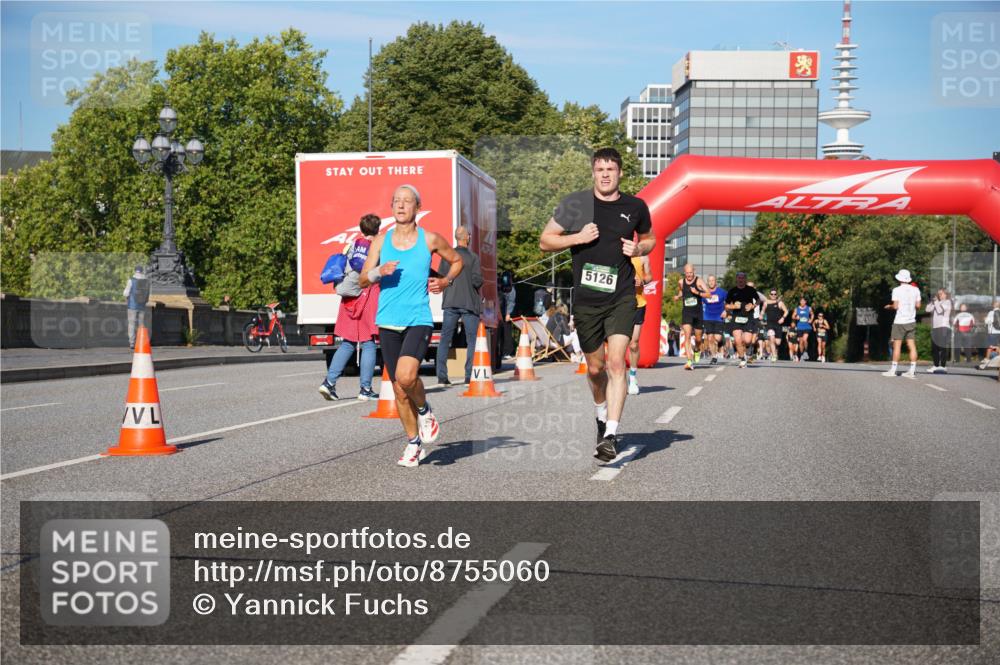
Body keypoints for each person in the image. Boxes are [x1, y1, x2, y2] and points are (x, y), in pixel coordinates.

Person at [539, 147, 655, 463]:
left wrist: (639, 246)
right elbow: (545, 239)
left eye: (611, 169)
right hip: (587, 301)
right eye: (600, 169)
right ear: (593, 172)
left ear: (619, 173)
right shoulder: (576, 204)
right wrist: (576, 238)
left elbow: (650, 238)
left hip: (621, 297)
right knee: (595, 368)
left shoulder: (635, 206)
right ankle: (601, 412)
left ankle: (611, 435)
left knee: (617, 363)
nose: (605, 174)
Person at [359, 184, 464, 467]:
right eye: (396, 202)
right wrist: (378, 271)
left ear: (418, 207)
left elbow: (456, 261)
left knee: (407, 377)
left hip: (418, 318)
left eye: (407, 202)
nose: (401, 206)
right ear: (392, 207)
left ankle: (425, 410)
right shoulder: (381, 241)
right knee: (398, 389)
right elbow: (362, 280)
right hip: (387, 320)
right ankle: (413, 443)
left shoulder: (429, 239)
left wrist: (444, 281)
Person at [319, 214, 382, 401]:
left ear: (361, 229)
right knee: (369, 343)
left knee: (348, 342)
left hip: (348, 299)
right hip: (366, 298)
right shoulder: (376, 248)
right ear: (378, 230)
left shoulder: (352, 245)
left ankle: (329, 383)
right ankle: (365, 389)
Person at [435, 226, 484, 386]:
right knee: (472, 340)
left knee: (445, 339)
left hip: (450, 302)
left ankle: (442, 377)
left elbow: (442, 277)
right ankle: (469, 376)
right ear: (467, 238)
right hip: (469, 303)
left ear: (456, 238)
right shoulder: (474, 257)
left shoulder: (447, 255)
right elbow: (477, 280)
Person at [882, 269, 921, 378]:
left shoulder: (896, 290)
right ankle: (912, 371)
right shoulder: (916, 290)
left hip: (899, 321)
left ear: (899, 279)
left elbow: (895, 306)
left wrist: (889, 306)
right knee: (912, 345)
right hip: (911, 320)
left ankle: (893, 370)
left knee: (897, 346)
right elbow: (918, 306)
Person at [673, 264, 711, 370]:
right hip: (687, 313)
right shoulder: (681, 282)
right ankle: (689, 361)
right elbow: (681, 291)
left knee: (698, 339)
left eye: (691, 273)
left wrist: (698, 292)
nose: (689, 275)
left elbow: (709, 294)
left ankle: (697, 350)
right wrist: (678, 296)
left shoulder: (699, 281)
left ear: (693, 272)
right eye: (687, 273)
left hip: (698, 313)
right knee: (687, 336)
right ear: (684, 272)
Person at [628, 254, 653, 393]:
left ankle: (632, 377)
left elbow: (649, 276)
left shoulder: (643, 257)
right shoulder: (617, 251)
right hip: (619, 303)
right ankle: (617, 377)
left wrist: (642, 281)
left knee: (633, 343)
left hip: (638, 303)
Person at [724, 272, 760, 368]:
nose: (741, 280)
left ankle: (748, 348)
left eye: (742, 278)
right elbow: (726, 306)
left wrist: (753, 305)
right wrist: (733, 306)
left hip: (748, 318)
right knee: (737, 340)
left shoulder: (750, 290)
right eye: (739, 278)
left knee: (747, 341)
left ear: (745, 279)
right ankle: (742, 359)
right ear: (736, 279)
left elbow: (758, 300)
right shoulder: (732, 291)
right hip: (736, 318)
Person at [701, 275, 727, 364]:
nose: (711, 282)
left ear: (716, 282)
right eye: (709, 281)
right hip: (707, 317)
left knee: (717, 338)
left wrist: (726, 311)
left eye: (713, 280)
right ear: (707, 282)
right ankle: (713, 356)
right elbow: (700, 304)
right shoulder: (704, 293)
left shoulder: (722, 292)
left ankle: (720, 343)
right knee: (710, 338)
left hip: (719, 318)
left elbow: (729, 302)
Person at [123, 265, 150, 348]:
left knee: (131, 324)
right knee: (141, 324)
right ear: (142, 271)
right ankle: (141, 341)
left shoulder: (131, 280)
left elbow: (125, 293)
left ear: (135, 270)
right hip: (142, 306)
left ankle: (132, 342)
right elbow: (148, 294)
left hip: (132, 305)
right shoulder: (146, 281)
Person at [925, 288, 952, 373]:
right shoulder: (937, 302)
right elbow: (927, 309)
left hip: (943, 326)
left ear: (946, 294)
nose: (939, 295)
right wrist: (932, 302)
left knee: (942, 347)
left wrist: (936, 302)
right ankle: (936, 365)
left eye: (941, 294)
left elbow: (940, 310)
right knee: (934, 348)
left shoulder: (947, 302)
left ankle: (943, 366)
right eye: (938, 294)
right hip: (935, 327)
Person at [761, 289, 788, 362]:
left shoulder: (780, 303)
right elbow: (763, 310)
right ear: (769, 295)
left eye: (775, 294)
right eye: (772, 294)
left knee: (778, 342)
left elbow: (786, 311)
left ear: (776, 295)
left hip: (778, 324)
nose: (773, 295)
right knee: (771, 338)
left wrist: (783, 318)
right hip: (769, 324)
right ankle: (774, 355)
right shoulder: (766, 303)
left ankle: (774, 351)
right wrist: (761, 315)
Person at [499, 269, 517, 360]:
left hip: (505, 313)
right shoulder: (500, 287)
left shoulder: (511, 289)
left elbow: (511, 302)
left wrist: (508, 313)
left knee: (506, 332)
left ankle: (507, 351)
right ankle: (501, 351)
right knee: (501, 333)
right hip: (499, 312)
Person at [980, 299, 1000, 370]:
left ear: (993, 305)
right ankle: (990, 359)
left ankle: (987, 359)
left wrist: (985, 319)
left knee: (990, 347)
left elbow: (987, 321)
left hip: (993, 332)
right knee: (995, 347)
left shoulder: (992, 312)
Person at [792, 297, 814, 361]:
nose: (802, 302)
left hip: (807, 326)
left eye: (803, 301)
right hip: (799, 327)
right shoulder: (797, 309)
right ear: (800, 302)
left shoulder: (809, 308)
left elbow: (812, 314)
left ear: (805, 302)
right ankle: (801, 354)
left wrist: (811, 320)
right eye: (801, 301)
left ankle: (806, 352)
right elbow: (793, 316)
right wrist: (796, 317)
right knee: (801, 342)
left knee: (805, 339)